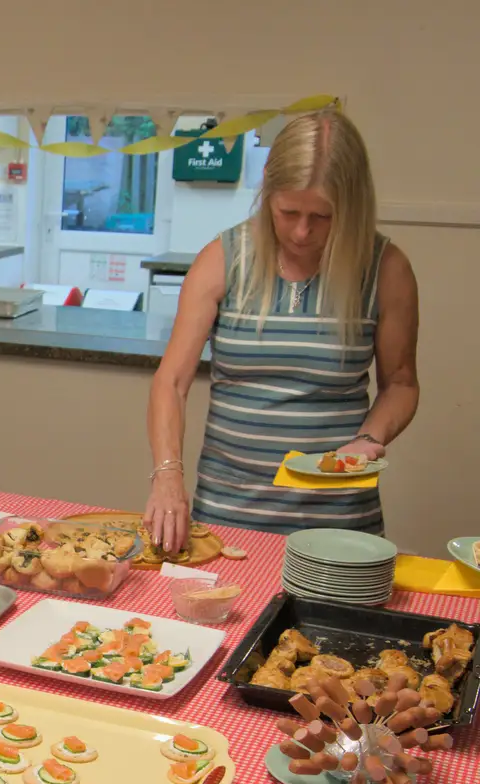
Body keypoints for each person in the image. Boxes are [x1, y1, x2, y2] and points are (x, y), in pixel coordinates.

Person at [144, 109, 418, 553]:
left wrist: (370, 439)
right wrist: (168, 477)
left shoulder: (386, 270)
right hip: (229, 515)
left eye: (324, 217)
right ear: (267, 190)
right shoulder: (223, 259)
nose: (302, 231)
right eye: (288, 211)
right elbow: (171, 383)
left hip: (339, 521)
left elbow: (402, 384)